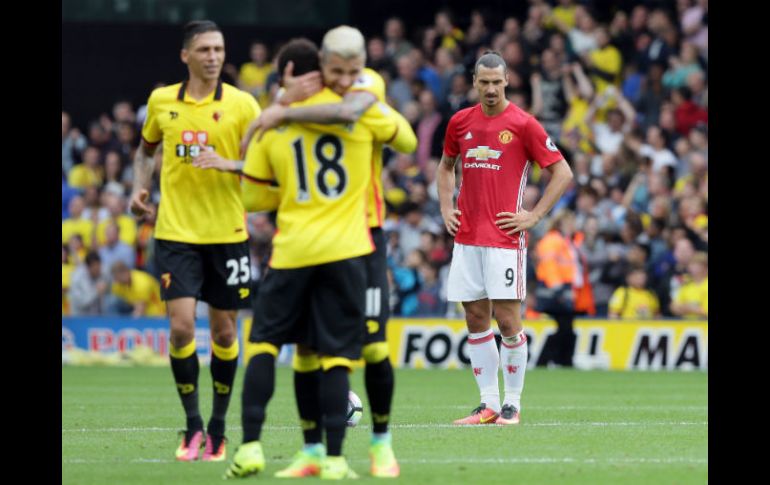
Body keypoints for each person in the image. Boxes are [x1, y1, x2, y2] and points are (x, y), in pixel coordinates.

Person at [219, 27, 416, 478]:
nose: (346, 79)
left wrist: (278, 113)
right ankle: (318, 453)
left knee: (370, 348)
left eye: (352, 70)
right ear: (320, 68)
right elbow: (400, 138)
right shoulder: (324, 111)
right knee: (315, 352)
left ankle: (379, 445)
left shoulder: (366, 90)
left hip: (358, 237)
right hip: (344, 243)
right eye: (336, 71)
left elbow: (252, 195)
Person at [128, 20, 261, 462]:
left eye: (219, 48)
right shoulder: (162, 101)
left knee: (224, 332)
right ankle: (192, 426)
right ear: (186, 55)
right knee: (182, 326)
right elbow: (145, 150)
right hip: (176, 233)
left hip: (227, 235)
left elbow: (267, 162)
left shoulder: (243, 104)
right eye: (204, 49)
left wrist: (229, 162)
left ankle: (220, 429)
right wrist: (138, 188)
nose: (213, 56)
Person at [438, 51, 573, 425]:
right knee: (475, 318)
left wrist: (534, 215)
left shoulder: (524, 124)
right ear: (475, 83)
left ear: (507, 80)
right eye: (485, 82)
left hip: (504, 237)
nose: (492, 89)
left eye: (498, 82)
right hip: (466, 237)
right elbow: (446, 168)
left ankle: (512, 403)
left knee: (509, 323)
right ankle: (488, 405)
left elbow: (562, 172)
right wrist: (446, 208)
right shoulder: (460, 122)